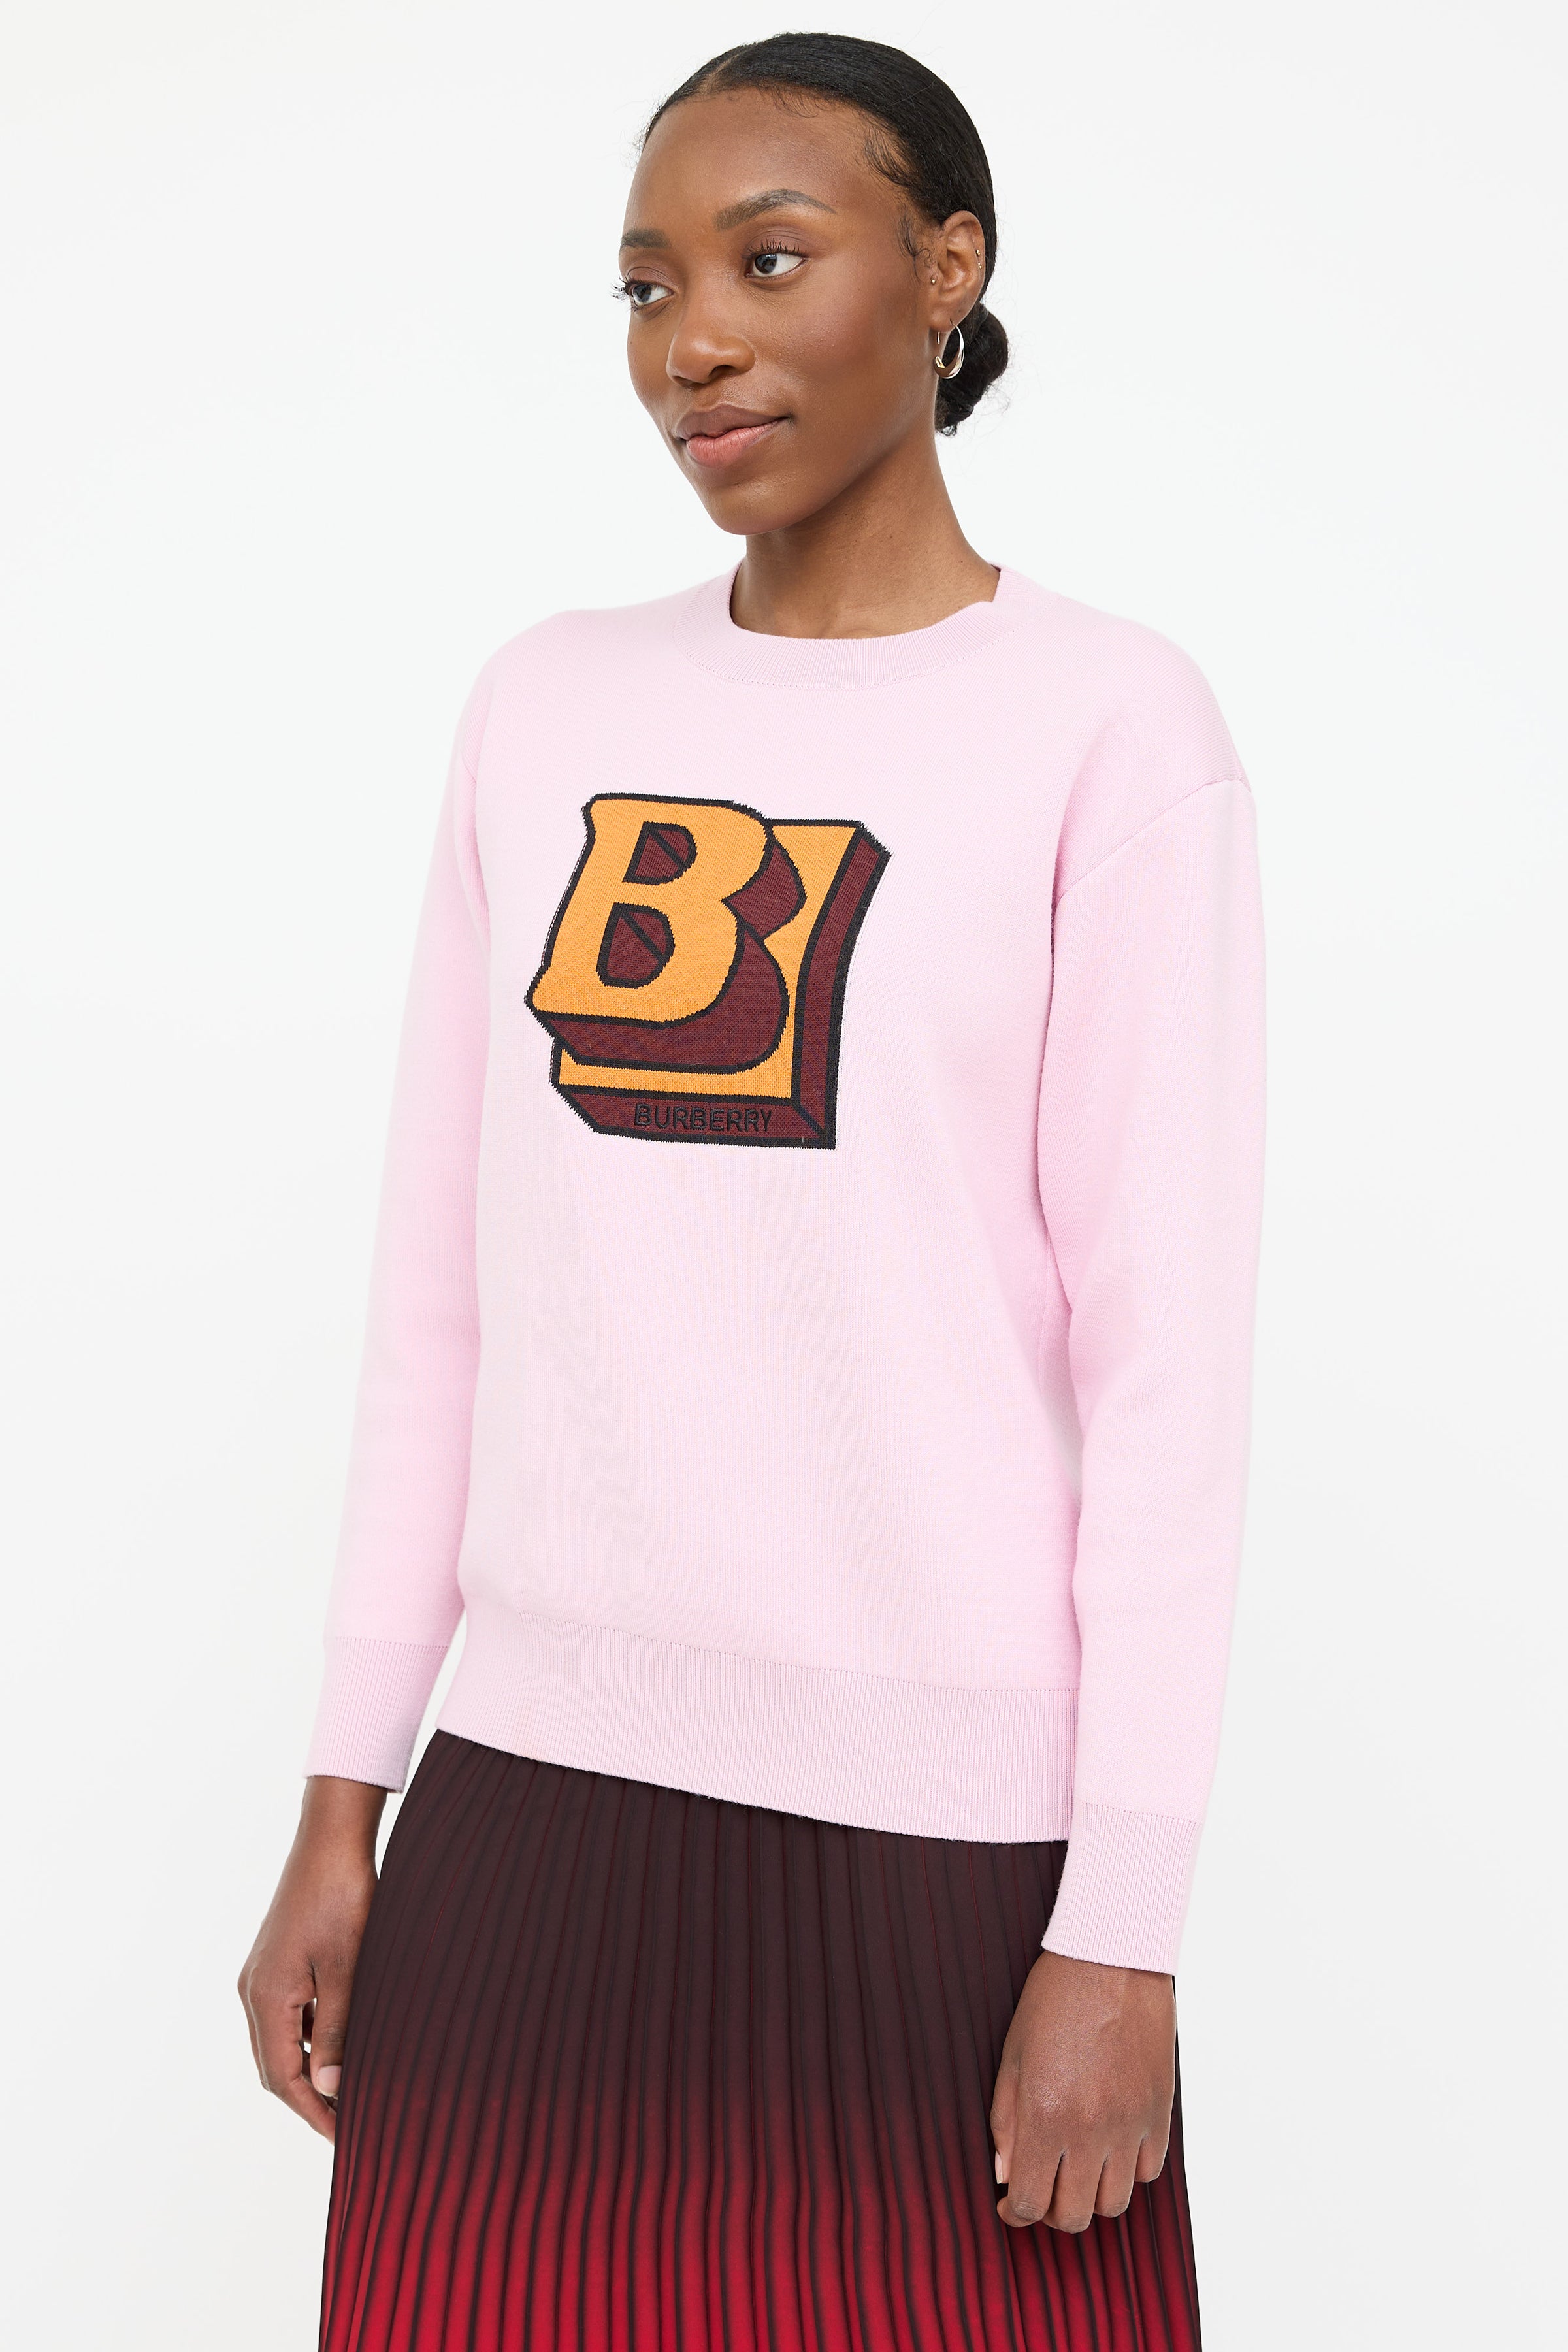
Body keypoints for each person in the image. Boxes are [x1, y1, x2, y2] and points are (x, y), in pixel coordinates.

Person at [238, 32, 1264, 2351]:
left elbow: (1168, 1382)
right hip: (528, 1821)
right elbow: (440, 1306)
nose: (690, 341)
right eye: (646, 286)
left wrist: (1125, 1927)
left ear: (950, 272)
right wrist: (340, 1801)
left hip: (949, 1862)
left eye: (767, 262)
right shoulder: (543, 705)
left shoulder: (1112, 729)